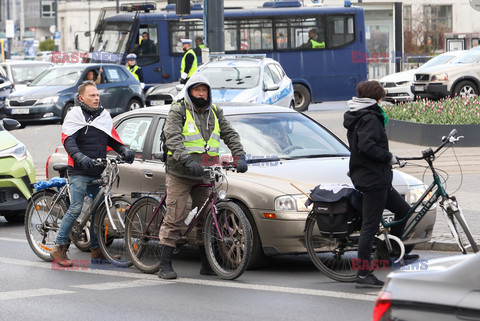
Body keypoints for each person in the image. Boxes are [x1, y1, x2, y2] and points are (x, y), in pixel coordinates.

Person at [158, 73, 248, 279]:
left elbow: (230, 134)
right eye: (197, 90)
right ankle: (164, 265)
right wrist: (187, 161)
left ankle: (208, 263)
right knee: (175, 217)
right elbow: (173, 138)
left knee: (206, 216)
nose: (201, 94)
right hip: (180, 172)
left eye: (204, 90)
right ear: (190, 92)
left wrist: (239, 155)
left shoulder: (215, 111)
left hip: (205, 172)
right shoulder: (178, 110)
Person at [50, 80, 135, 267]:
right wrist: (79, 157)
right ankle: (59, 248)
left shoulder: (103, 116)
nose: (96, 98)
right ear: (82, 98)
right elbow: (69, 141)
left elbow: (111, 139)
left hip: (97, 170)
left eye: (97, 95)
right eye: (92, 96)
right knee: (76, 208)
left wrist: (124, 150)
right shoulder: (74, 116)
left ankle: (97, 251)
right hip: (79, 170)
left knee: (98, 211)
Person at [343, 80, 419, 288]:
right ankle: (363, 273)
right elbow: (367, 146)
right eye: (381, 98)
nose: (382, 102)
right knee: (370, 226)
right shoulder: (369, 117)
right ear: (375, 98)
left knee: (403, 211)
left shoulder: (362, 113)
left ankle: (392, 253)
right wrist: (388, 157)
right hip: (372, 178)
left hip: (378, 176)